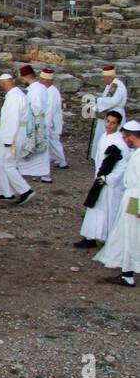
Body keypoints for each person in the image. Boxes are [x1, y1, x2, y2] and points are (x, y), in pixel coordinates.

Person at [93, 119, 140, 288]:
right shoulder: (136, 152)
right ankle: (126, 271)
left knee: (131, 233)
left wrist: (137, 208)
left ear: (131, 137)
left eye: (125, 137)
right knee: (125, 232)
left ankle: (128, 274)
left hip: (135, 199)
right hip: (132, 197)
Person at [76, 111, 127, 249]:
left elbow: (123, 165)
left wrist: (108, 179)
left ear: (118, 124)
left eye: (113, 123)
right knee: (95, 208)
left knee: (108, 211)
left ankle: (108, 239)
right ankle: (90, 237)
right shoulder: (104, 136)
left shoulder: (119, 142)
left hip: (110, 183)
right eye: (107, 121)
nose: (109, 125)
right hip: (100, 179)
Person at [0, 73, 34, 204]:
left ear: (4, 83)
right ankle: (4, 191)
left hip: (12, 135)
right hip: (12, 133)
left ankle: (25, 190)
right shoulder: (16, 95)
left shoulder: (14, 98)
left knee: (7, 163)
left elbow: (12, 120)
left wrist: (9, 140)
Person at [17, 64, 52, 184]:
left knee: (37, 147)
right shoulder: (38, 88)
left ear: (26, 77)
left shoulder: (36, 90)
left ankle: (45, 174)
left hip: (36, 123)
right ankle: (35, 172)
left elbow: (36, 108)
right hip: (36, 121)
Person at [90, 65, 128, 159]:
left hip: (115, 114)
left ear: (109, 77)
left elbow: (114, 101)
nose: (104, 80)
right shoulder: (110, 86)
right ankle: (101, 155)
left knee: (113, 136)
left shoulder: (118, 86)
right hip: (107, 114)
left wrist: (99, 101)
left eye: (105, 78)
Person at [41, 67, 68, 171]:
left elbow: (49, 110)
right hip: (51, 122)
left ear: (46, 80)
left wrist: (45, 124)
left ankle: (62, 161)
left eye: (42, 79)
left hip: (52, 122)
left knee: (54, 142)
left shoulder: (52, 92)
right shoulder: (47, 90)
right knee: (53, 143)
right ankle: (59, 161)